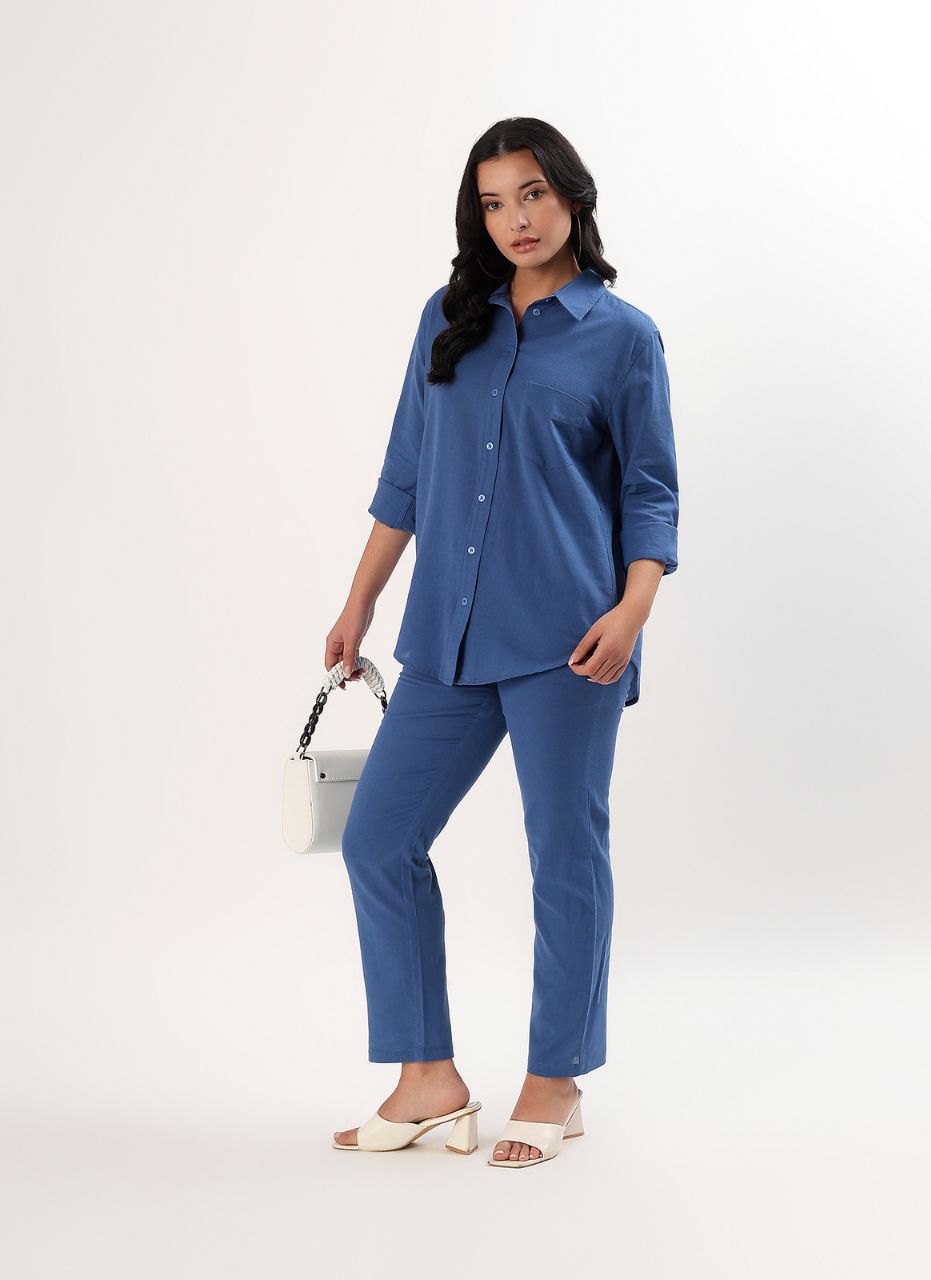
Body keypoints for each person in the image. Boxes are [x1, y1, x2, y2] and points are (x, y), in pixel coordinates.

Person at [327, 117, 680, 1168]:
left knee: (564, 855)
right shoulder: (447, 320)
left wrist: (634, 609)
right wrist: (358, 603)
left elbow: (651, 491)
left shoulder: (623, 336)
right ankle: (427, 1079)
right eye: (493, 202)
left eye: (532, 193)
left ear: (570, 196)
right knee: (377, 839)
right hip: (447, 632)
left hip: (571, 640)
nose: (515, 219)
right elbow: (405, 475)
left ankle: (555, 1081)